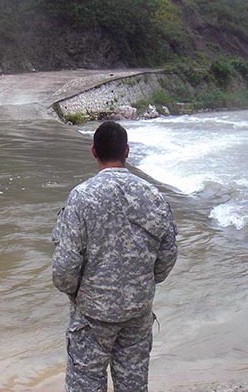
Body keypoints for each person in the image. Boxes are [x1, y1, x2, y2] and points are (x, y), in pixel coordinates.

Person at [52, 121, 178, 392]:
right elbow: (168, 255)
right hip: (137, 312)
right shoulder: (153, 196)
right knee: (133, 385)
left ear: (93, 151)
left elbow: (64, 269)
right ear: (127, 151)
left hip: (92, 315)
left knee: (85, 384)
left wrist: (77, 294)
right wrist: (141, 283)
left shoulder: (82, 198)